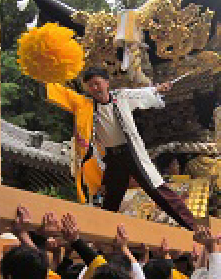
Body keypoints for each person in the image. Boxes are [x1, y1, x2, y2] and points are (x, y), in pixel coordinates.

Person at [82, 67, 196, 230]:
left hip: (132, 153)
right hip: (112, 158)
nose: (94, 89)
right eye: (90, 86)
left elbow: (142, 94)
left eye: (97, 83)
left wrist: (158, 89)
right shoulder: (86, 106)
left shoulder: (121, 96)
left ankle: (193, 227)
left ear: (106, 83)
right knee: (111, 198)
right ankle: (101, 234)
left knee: (157, 189)